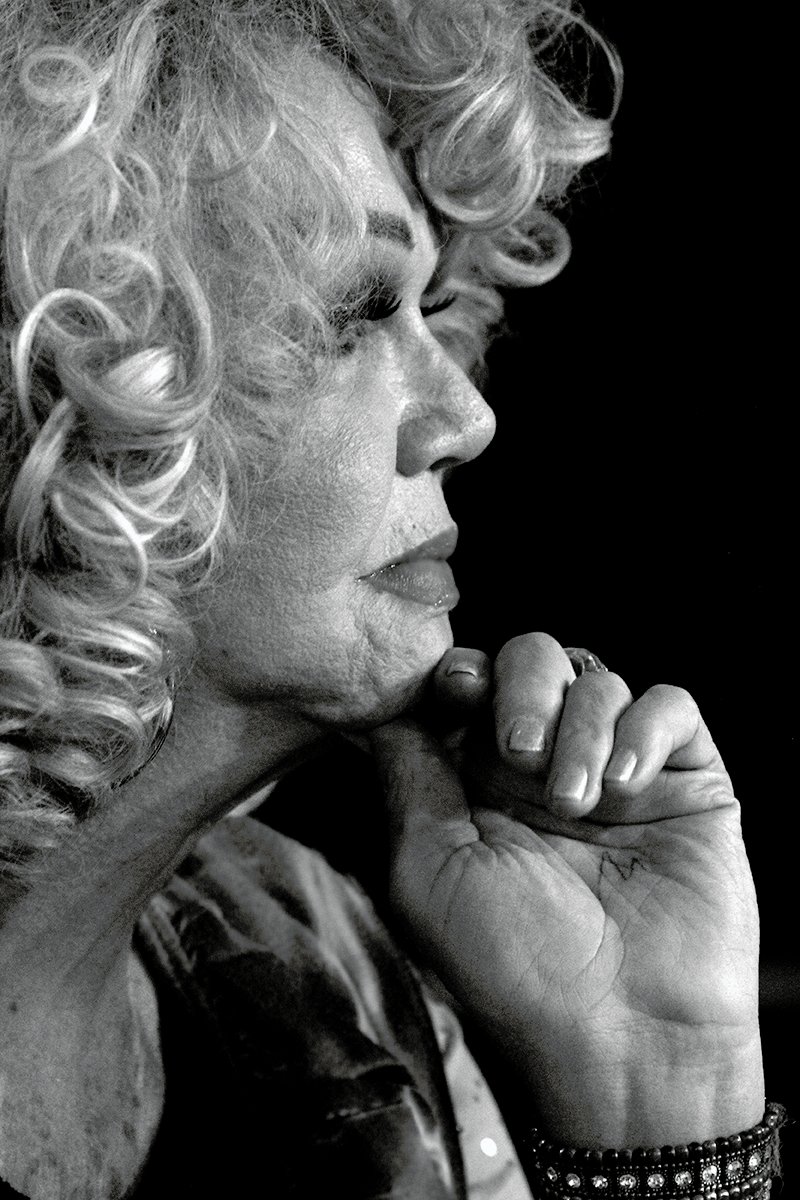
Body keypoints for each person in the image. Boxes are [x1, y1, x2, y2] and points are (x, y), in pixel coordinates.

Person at [0, 1, 785, 1197]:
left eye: (433, 311)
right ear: (53, 394)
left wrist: (656, 1083)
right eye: (358, 311)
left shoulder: (328, 974)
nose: (467, 416)